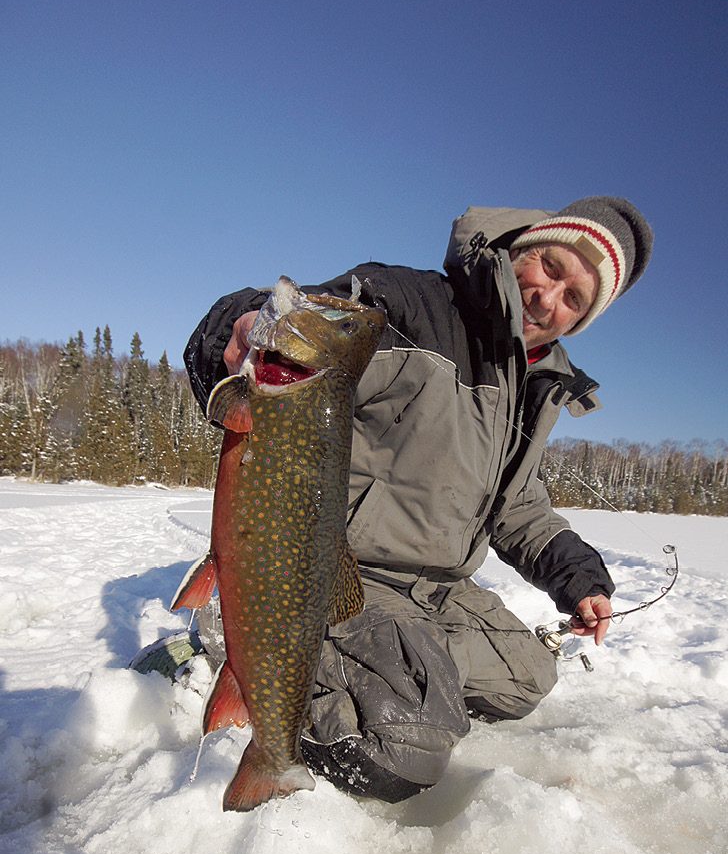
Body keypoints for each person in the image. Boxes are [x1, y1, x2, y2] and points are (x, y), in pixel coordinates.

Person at [183, 197, 654, 803]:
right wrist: (241, 329)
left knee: (526, 676)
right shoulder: (409, 307)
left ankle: (396, 667)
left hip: (439, 591)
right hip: (346, 571)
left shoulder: (533, 381)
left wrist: (580, 578)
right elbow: (295, 326)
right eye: (550, 266)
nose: (547, 297)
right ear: (518, 248)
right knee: (409, 748)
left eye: (574, 298)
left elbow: (516, 504)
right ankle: (279, 674)